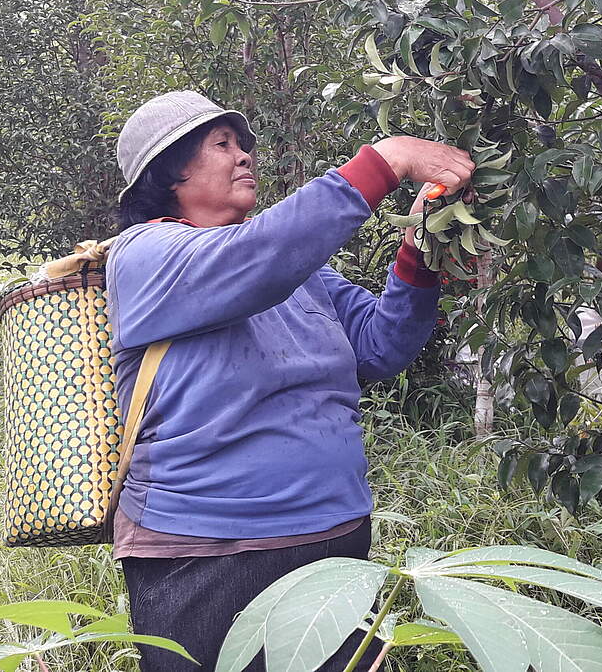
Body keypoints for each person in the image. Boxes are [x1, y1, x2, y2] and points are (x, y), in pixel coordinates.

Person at [105, 91, 474, 672]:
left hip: (336, 538)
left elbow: (379, 346)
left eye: (243, 143)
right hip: (212, 553)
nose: (244, 156)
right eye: (221, 144)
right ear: (169, 171)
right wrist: (386, 160)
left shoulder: (302, 275)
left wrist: (417, 258)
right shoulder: (145, 256)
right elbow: (261, 259)